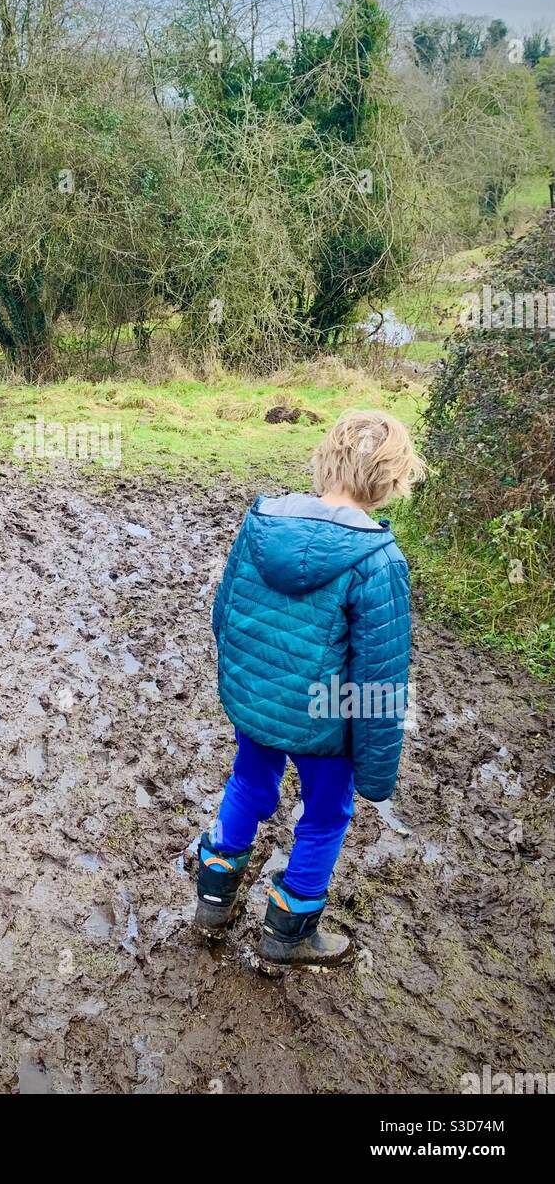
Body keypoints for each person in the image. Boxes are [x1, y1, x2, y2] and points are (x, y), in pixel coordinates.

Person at [196, 409, 424, 967]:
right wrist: (377, 772)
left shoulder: (260, 525)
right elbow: (380, 677)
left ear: (326, 459)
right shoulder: (379, 560)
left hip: (260, 706)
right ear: (392, 479)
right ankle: (288, 933)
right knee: (325, 815)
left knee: (248, 784)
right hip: (327, 718)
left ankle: (212, 902)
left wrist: (250, 690)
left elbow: (223, 616)